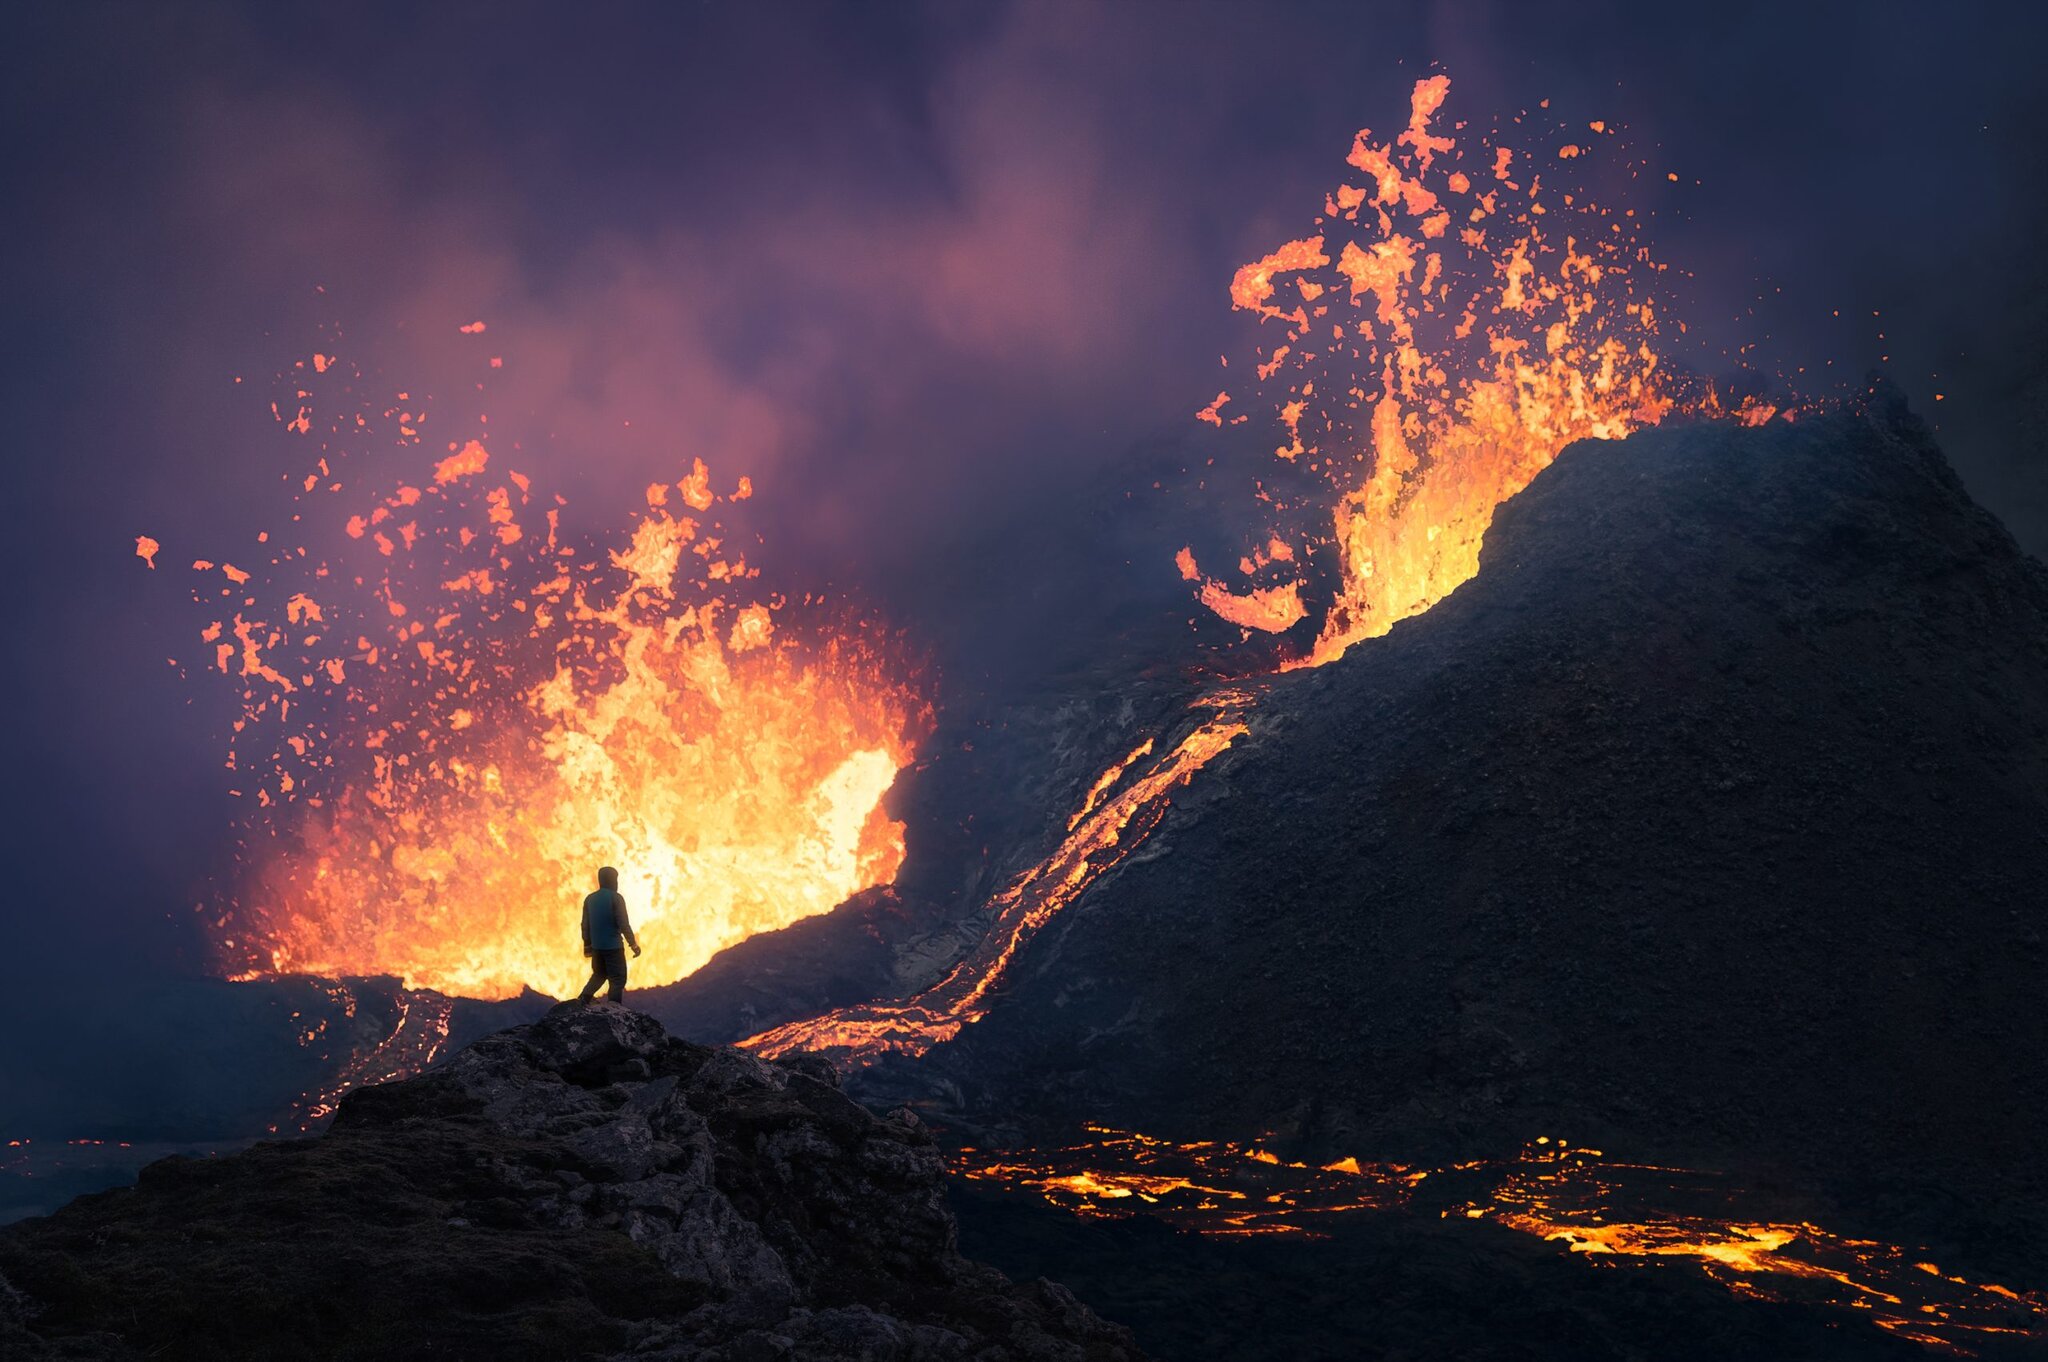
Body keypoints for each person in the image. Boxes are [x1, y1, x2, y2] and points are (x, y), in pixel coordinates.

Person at [576, 865, 641, 1003]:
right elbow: (624, 924)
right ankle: (614, 1008)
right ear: (612, 880)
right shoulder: (616, 898)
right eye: (615, 880)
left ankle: (583, 998)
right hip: (614, 947)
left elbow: (584, 925)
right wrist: (634, 945)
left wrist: (587, 946)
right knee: (617, 979)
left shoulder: (589, 899)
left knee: (599, 974)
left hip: (597, 948)